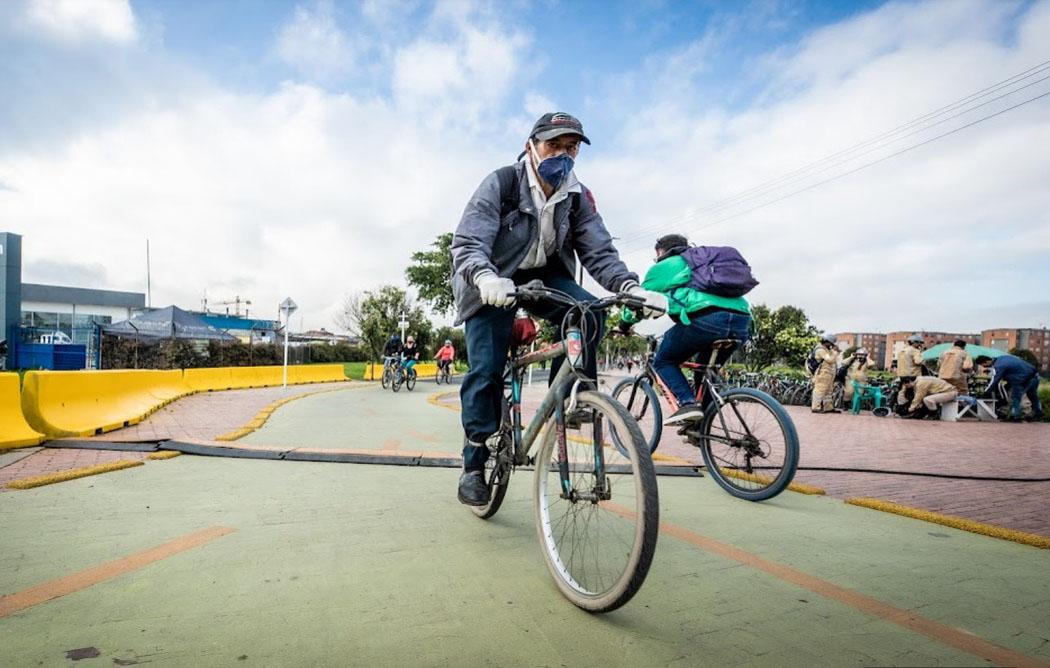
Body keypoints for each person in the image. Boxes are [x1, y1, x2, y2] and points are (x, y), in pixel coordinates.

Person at [450, 111, 665, 506]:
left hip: (545, 276)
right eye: (554, 145)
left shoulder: (577, 196)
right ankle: (474, 462)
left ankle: (566, 398)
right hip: (492, 279)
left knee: (588, 311)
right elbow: (468, 242)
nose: (563, 155)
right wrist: (484, 277)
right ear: (531, 145)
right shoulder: (501, 183)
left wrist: (630, 286)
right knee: (486, 369)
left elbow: (599, 251)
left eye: (571, 148)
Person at [621, 234, 751, 424]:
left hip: (707, 319)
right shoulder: (703, 263)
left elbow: (640, 299)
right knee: (704, 371)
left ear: (660, 252)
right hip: (742, 321)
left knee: (663, 361)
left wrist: (624, 325)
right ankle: (702, 426)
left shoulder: (667, 266)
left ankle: (687, 403)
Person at [975, 354, 1044, 422]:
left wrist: (986, 392)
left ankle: (1016, 416)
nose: (984, 367)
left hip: (1022, 379)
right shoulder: (1002, 358)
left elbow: (995, 379)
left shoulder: (999, 366)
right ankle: (1038, 412)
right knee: (1033, 395)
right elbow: (1014, 370)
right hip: (1034, 376)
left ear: (986, 361)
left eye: (982, 365)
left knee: (1015, 397)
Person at [810, 333, 841, 413]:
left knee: (828, 391)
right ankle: (816, 407)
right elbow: (830, 360)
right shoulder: (820, 350)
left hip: (829, 374)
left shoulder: (826, 350)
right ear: (827, 342)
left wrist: (834, 351)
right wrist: (835, 352)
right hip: (822, 373)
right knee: (820, 390)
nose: (831, 345)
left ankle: (828, 407)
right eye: (831, 344)